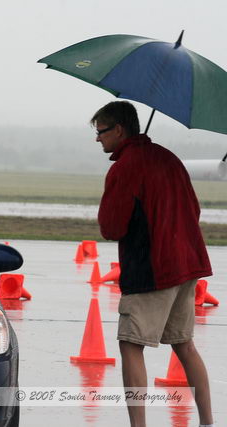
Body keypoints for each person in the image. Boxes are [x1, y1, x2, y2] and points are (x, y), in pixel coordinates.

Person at [91, 101, 214, 427]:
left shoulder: (125, 167)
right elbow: (195, 209)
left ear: (119, 130)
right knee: (184, 344)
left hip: (152, 270)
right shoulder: (169, 159)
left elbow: (112, 227)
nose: (98, 138)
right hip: (186, 264)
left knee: (130, 344)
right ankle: (208, 421)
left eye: (101, 131)